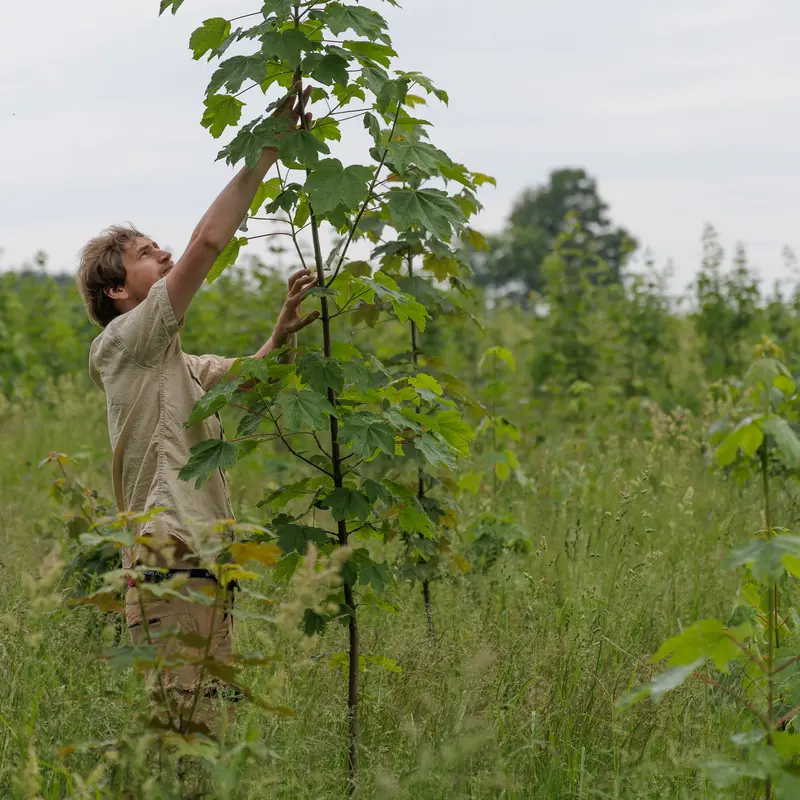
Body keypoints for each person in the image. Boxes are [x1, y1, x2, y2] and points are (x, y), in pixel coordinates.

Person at [76, 84, 319, 728]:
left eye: (159, 245)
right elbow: (208, 243)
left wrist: (279, 334)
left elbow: (251, 380)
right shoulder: (124, 344)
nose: (164, 254)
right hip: (168, 554)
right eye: (144, 254)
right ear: (118, 291)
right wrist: (267, 148)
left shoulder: (172, 363)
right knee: (185, 734)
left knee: (204, 732)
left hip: (200, 557)